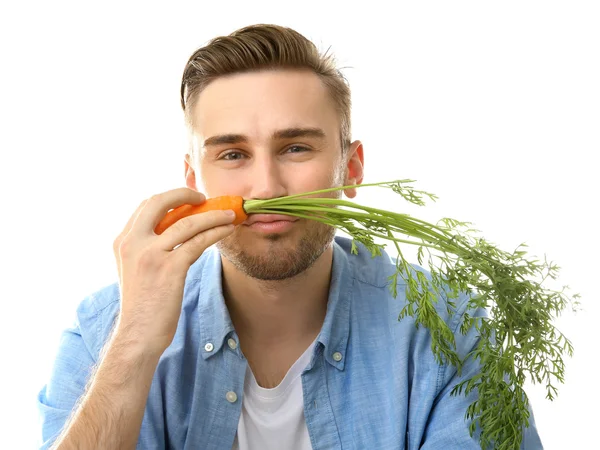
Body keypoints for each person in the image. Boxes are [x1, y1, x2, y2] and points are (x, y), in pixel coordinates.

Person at [37, 24, 543, 449]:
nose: (267, 187)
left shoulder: (451, 331)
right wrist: (135, 344)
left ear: (351, 167)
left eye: (296, 147)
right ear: (195, 181)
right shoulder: (104, 334)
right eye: (232, 154)